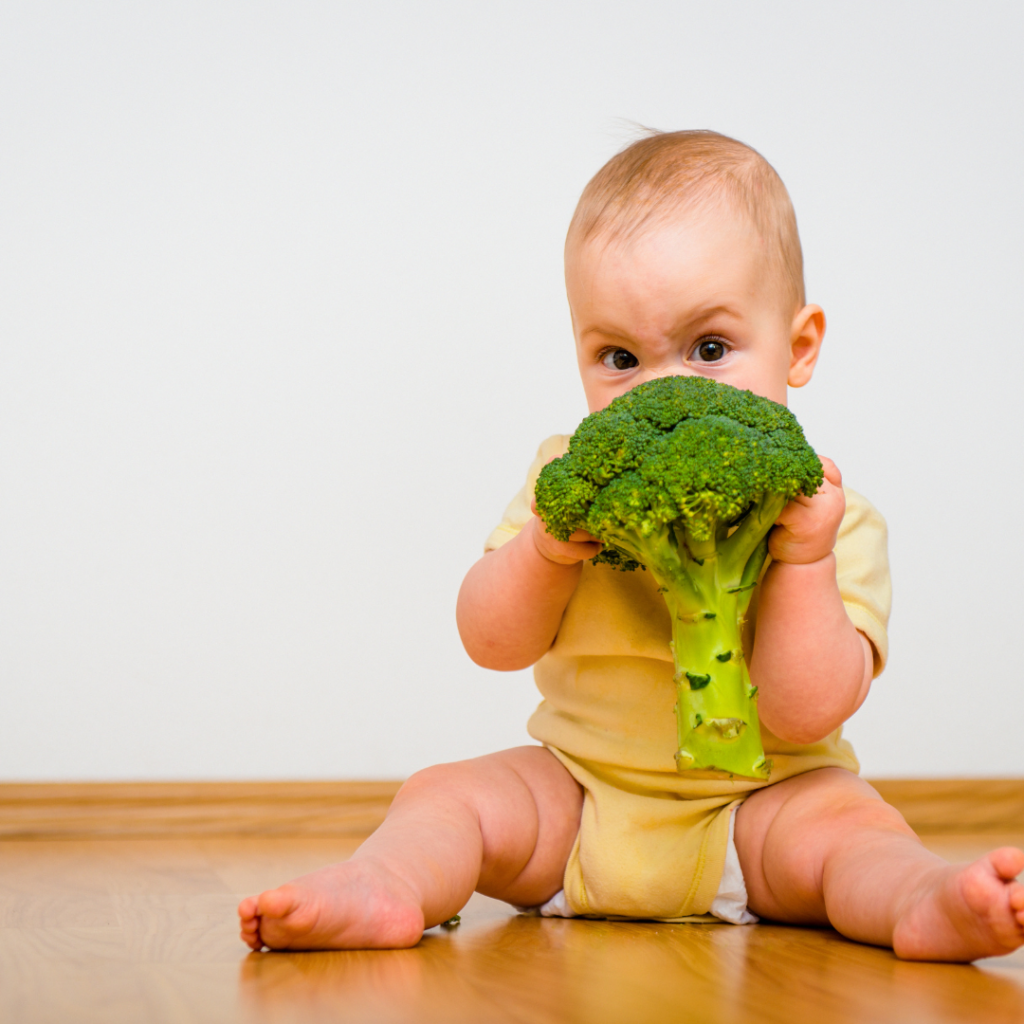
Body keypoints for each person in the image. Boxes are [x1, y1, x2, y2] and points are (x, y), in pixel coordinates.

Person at [238, 130, 1024, 961]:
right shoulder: (565, 484)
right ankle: (386, 885)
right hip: (578, 800)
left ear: (799, 347)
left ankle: (922, 902)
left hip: (761, 811)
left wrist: (803, 562)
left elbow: (807, 710)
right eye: (619, 357)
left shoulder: (832, 516)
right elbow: (489, 642)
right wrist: (543, 551)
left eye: (709, 350)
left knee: (854, 830)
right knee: (448, 796)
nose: (664, 390)